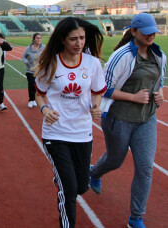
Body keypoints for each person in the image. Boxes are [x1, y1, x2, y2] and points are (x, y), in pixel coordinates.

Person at [90, 13, 166, 228]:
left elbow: (158, 82)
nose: (151, 35)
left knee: (145, 168)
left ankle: (136, 217)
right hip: (119, 119)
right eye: (146, 31)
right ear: (133, 31)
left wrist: (159, 94)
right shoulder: (121, 56)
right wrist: (133, 97)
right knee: (116, 160)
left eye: (153, 31)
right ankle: (94, 172)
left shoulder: (160, 56)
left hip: (147, 119)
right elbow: (103, 89)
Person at [34, 17, 106, 228]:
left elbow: (97, 92)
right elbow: (39, 94)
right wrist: (44, 109)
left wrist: (96, 106)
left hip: (82, 132)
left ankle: (63, 178)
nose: (79, 43)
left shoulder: (92, 63)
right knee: (69, 189)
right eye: (73, 39)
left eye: (82, 38)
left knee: (82, 186)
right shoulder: (52, 63)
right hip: (55, 134)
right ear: (63, 40)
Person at [22, 33, 45, 108]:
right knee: (31, 85)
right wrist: (26, 62)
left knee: (37, 86)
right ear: (34, 39)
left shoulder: (43, 48)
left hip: (40, 71)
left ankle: (35, 99)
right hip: (30, 70)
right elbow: (24, 57)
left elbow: (47, 56)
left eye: (40, 38)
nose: (39, 40)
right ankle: (31, 100)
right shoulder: (29, 48)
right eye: (37, 38)